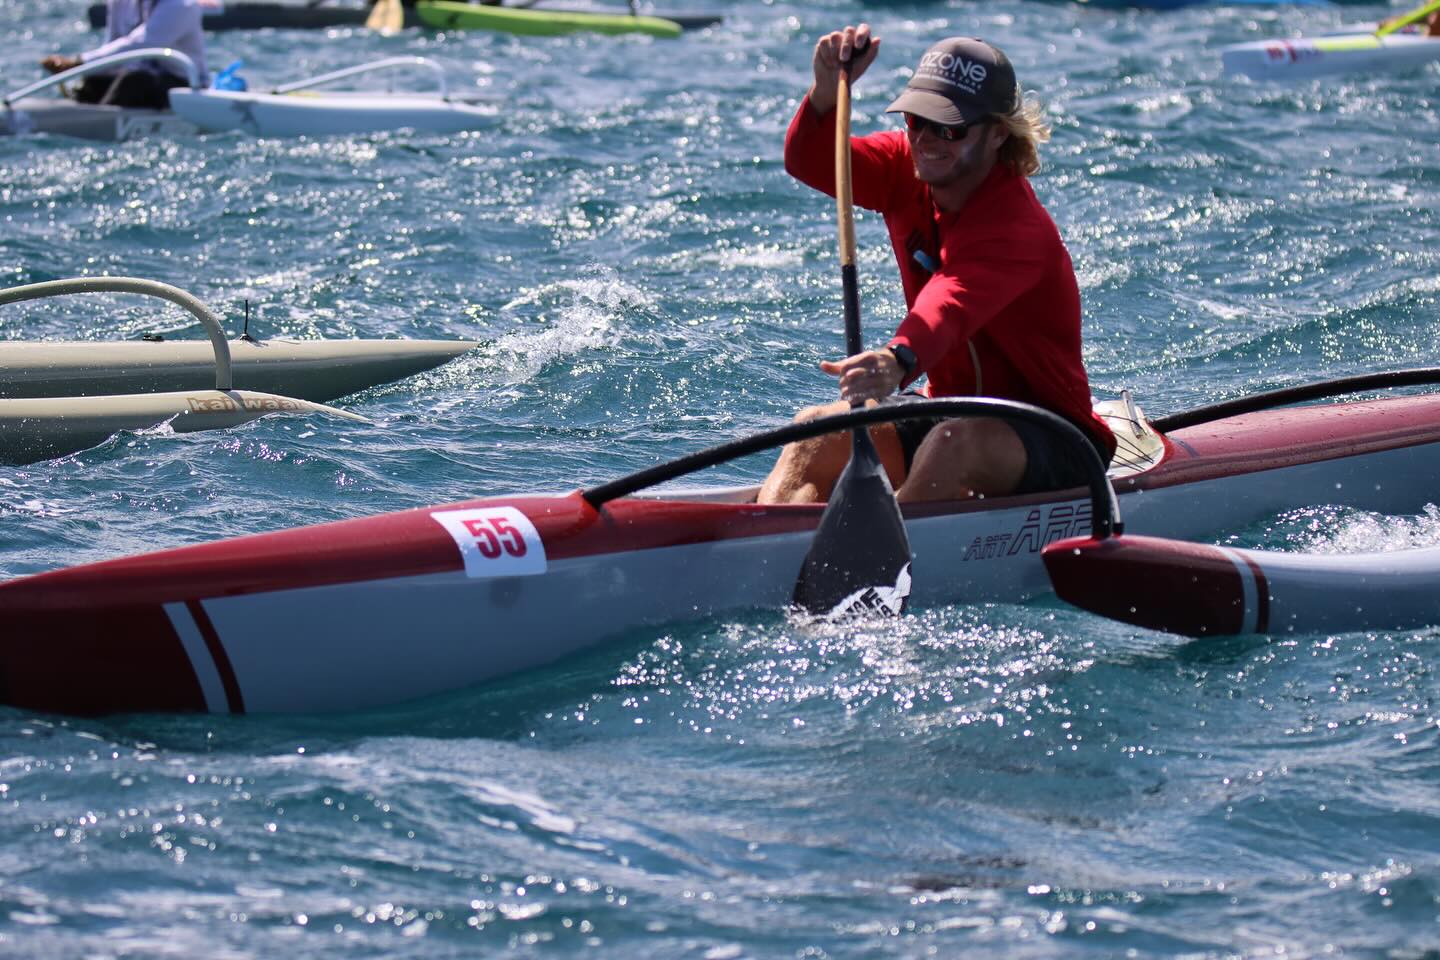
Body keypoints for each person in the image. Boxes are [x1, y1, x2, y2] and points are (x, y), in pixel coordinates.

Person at [757, 25, 1115, 506]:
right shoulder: (903, 167)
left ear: (997, 134)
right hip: (951, 408)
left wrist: (897, 358)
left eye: (949, 127)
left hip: (1054, 435)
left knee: (952, 444)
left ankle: (875, 568)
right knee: (816, 429)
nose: (926, 139)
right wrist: (825, 88)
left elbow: (951, 299)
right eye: (917, 120)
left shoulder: (1015, 225)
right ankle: (767, 552)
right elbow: (813, 160)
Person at [40, 0, 208, 110]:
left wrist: (78, 62)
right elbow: (112, 46)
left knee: (132, 81)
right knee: (94, 80)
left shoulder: (182, 5)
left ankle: (100, 125)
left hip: (182, 86)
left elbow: (140, 44)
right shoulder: (120, 2)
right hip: (139, 74)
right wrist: (80, 69)